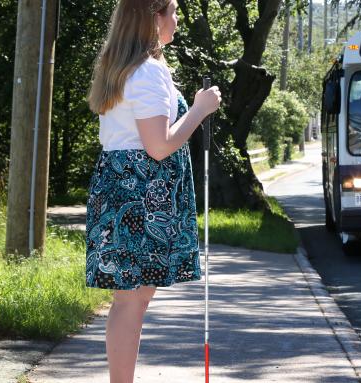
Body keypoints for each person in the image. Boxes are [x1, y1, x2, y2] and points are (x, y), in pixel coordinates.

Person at [85, 1, 221, 382]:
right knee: (131, 299)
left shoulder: (126, 66)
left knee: (134, 297)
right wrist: (199, 109)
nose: (177, 20)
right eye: (173, 11)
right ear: (153, 17)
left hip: (127, 187)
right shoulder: (145, 73)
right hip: (139, 193)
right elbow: (159, 146)